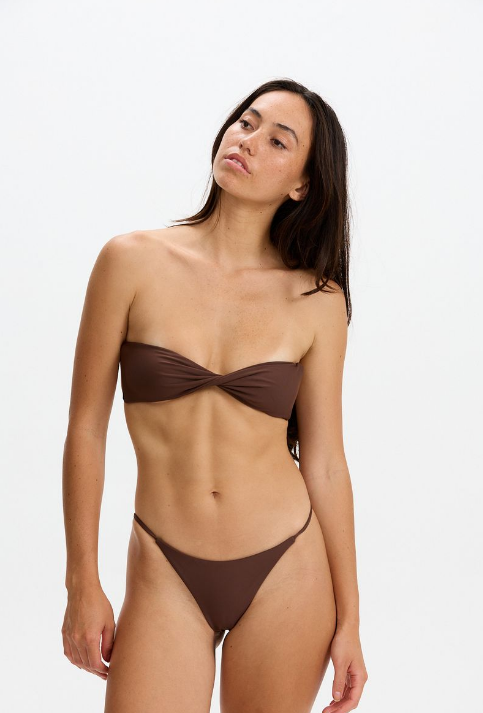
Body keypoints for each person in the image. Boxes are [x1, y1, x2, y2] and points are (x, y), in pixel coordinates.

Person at [61, 78, 368, 713]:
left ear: (302, 184)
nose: (248, 141)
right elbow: (86, 429)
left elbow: (326, 462)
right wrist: (81, 581)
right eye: (246, 123)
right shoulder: (130, 262)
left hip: (288, 565)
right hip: (163, 566)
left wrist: (351, 621)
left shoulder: (316, 300)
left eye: (278, 140)